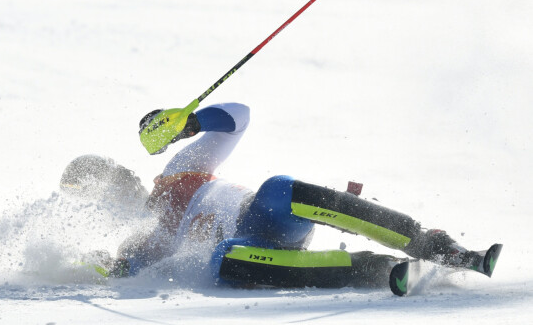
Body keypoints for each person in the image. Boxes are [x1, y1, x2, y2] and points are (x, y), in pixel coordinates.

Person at [63, 103, 500, 291]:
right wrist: (89, 264)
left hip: (265, 216)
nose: (120, 192)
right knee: (223, 260)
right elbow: (116, 275)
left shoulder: (178, 171)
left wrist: (190, 123)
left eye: (116, 179)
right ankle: (380, 270)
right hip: (253, 255)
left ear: (128, 175)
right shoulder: (143, 242)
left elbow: (239, 118)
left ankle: (434, 245)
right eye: (108, 193)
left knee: (276, 188)